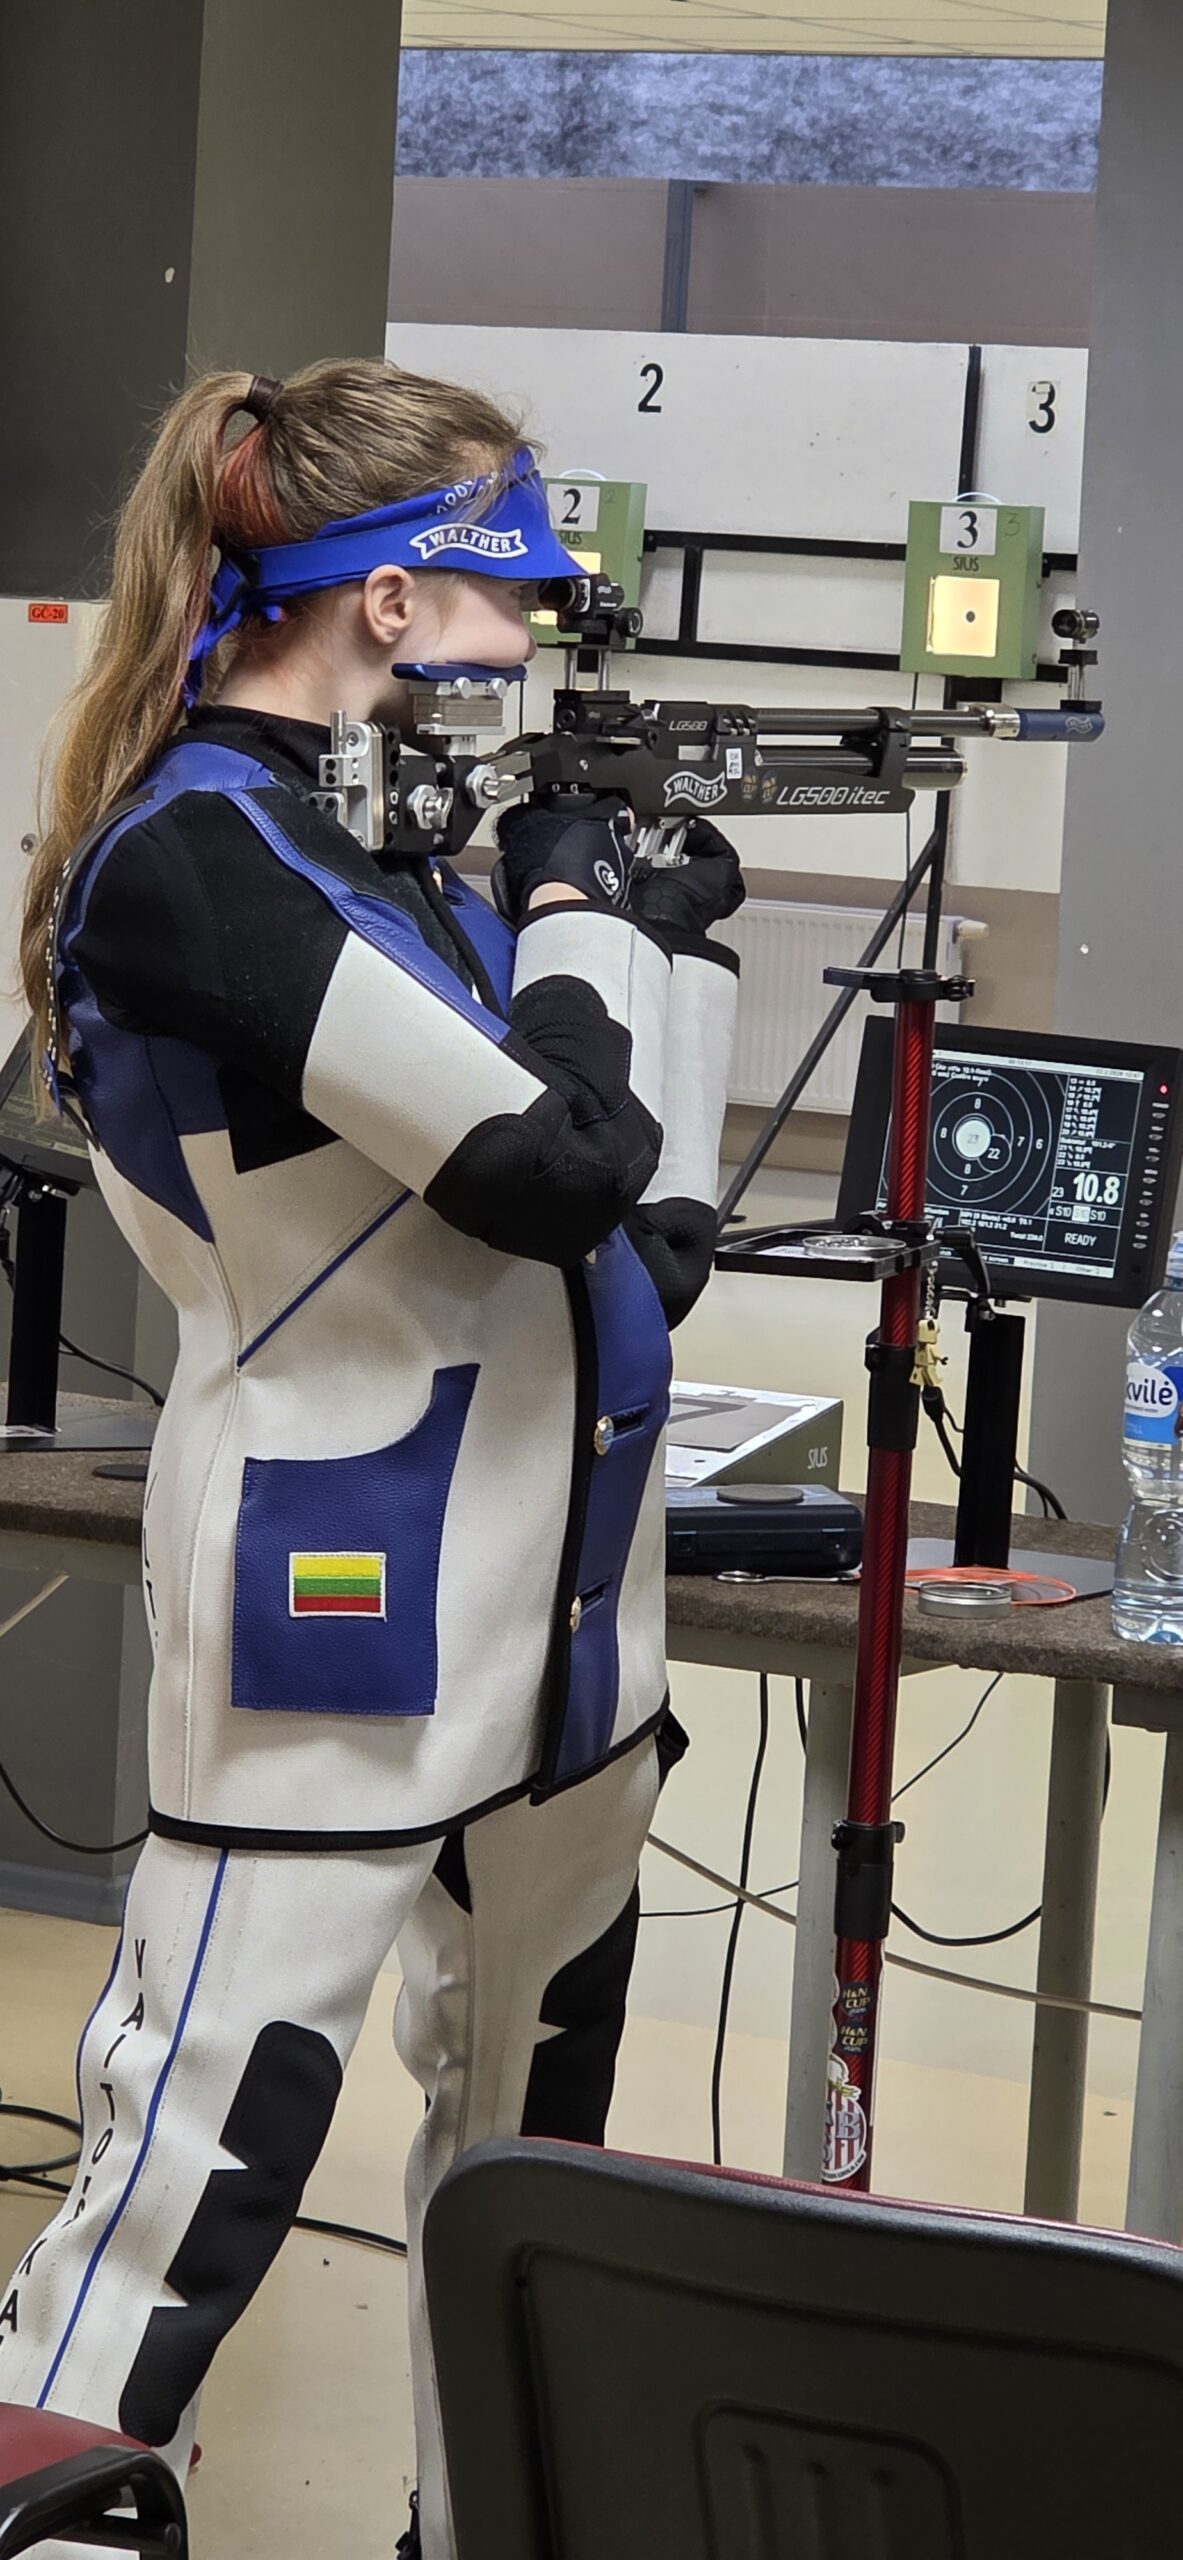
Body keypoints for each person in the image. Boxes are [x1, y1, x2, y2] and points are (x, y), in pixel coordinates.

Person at [2, 358, 743, 2558]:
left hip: (560, 1634)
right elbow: (544, 1161)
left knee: (529, 2187)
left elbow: (617, 1224)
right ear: (392, 600)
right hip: (347, 1607)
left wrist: (652, 954)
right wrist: (583, 913)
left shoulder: (352, 855)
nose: (540, 625)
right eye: (514, 583)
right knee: (193, 2170)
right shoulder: (198, 859)